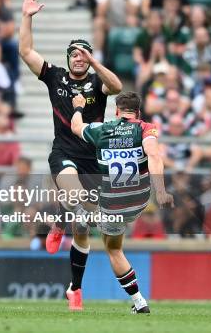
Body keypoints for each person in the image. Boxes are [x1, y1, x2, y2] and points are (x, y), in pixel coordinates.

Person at [18, 0, 123, 310]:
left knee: (82, 230)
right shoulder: (55, 77)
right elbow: (25, 51)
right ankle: (62, 220)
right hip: (63, 153)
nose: (79, 57)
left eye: (84, 54)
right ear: (67, 59)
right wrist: (26, 16)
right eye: (74, 54)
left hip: (92, 158)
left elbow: (118, 87)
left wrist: (95, 62)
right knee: (77, 199)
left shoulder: (97, 83)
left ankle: (74, 289)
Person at [71, 91, 174, 314]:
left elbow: (76, 127)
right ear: (138, 112)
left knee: (113, 249)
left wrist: (78, 107)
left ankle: (139, 302)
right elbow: (155, 156)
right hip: (139, 200)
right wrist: (161, 191)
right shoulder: (145, 128)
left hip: (113, 204)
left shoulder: (102, 129)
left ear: (117, 111)